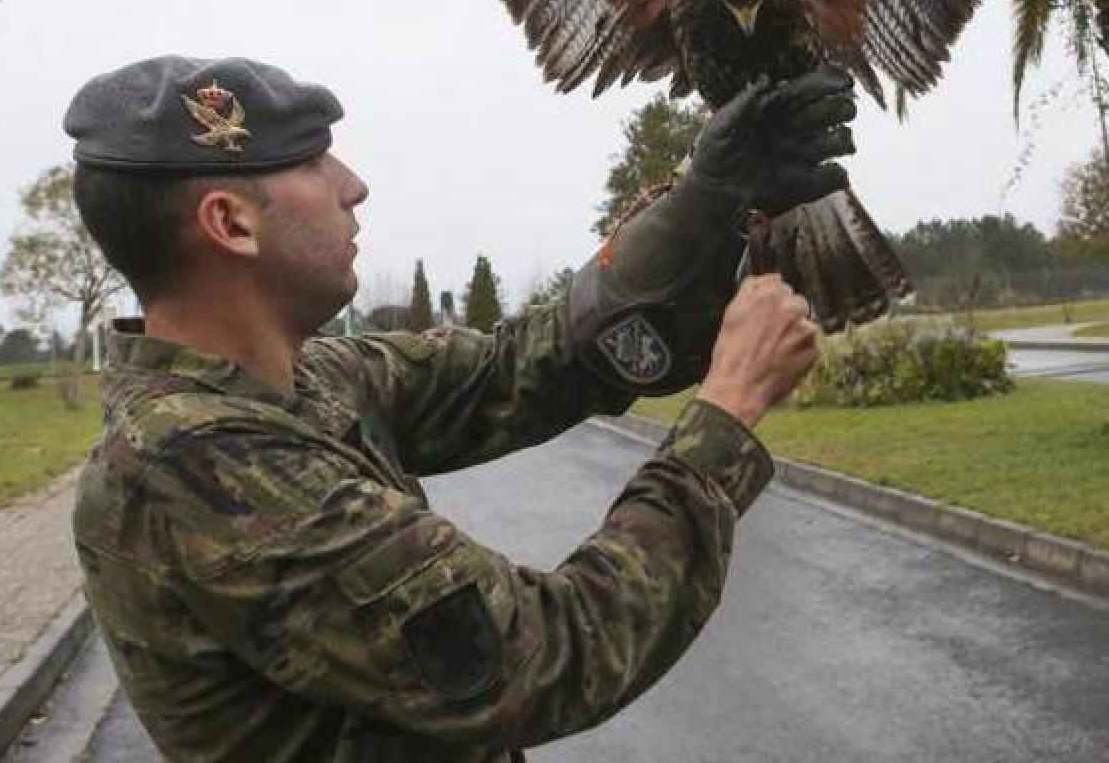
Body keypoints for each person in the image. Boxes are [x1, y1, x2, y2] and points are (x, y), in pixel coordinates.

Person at [66, 54, 856, 762]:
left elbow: (529, 364)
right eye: (311, 162)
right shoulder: (199, 465)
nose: (353, 185)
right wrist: (726, 413)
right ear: (230, 224)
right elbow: (542, 657)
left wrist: (703, 203)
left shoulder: (309, 382)